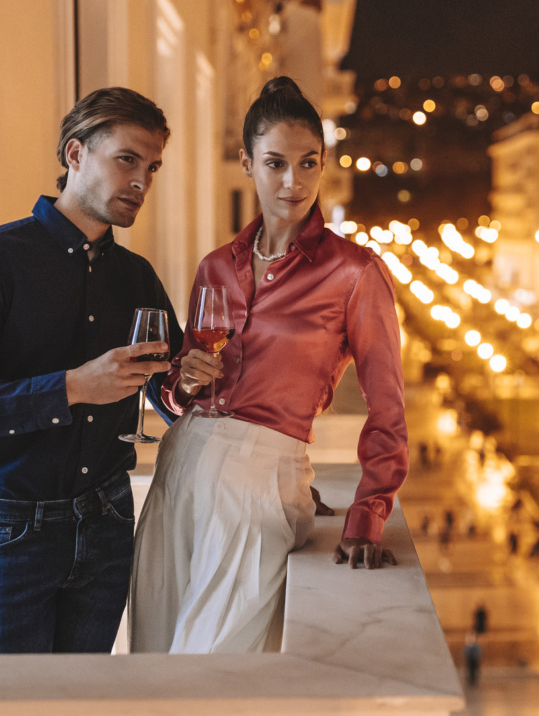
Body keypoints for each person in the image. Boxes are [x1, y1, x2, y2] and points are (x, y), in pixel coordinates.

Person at [129, 76, 408, 653]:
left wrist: (367, 515)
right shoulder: (215, 268)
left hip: (263, 480)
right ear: (247, 163)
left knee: (210, 673)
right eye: (276, 163)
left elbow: (389, 408)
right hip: (181, 468)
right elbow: (181, 394)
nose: (292, 181)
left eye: (308, 163)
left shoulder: (355, 274)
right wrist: (183, 382)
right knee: (156, 661)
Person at [0, 87, 180, 653]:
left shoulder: (137, 277)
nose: (142, 181)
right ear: (75, 155)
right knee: (11, 704)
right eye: (127, 160)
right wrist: (72, 388)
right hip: (9, 529)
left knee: (86, 702)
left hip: (108, 519)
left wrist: (193, 381)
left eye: (152, 166)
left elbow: (170, 393)